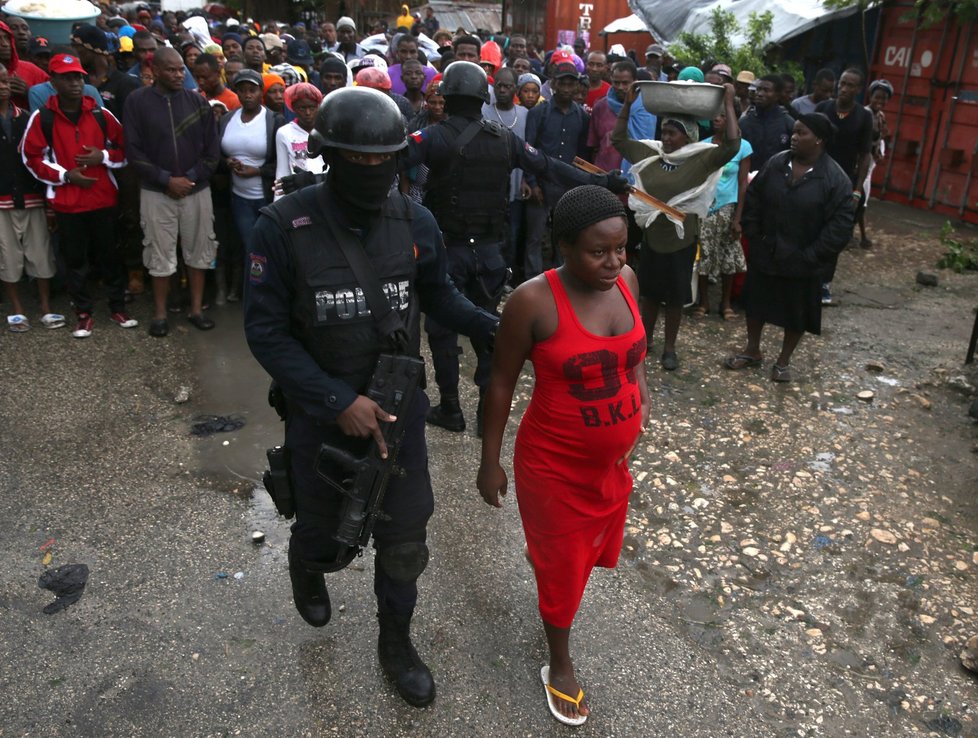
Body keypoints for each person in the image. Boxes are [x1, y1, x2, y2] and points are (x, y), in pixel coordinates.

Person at [243, 86, 498, 708]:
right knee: (324, 530)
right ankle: (306, 564)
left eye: (382, 158)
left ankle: (396, 643)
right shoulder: (283, 225)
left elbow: (438, 297)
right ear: (328, 154)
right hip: (321, 416)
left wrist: (494, 324)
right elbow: (266, 331)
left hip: (399, 412)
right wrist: (335, 401)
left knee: (405, 540)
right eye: (356, 158)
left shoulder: (416, 220)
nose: (371, 170)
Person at [477, 185, 649, 726]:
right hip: (552, 466)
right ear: (564, 247)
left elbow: (634, 356)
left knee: (579, 557)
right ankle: (559, 664)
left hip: (609, 465)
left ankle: (549, 565)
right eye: (599, 251)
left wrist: (640, 405)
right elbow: (501, 382)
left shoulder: (627, 282)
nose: (614, 262)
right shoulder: (531, 301)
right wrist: (489, 459)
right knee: (563, 570)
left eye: (621, 249)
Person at [401, 61, 626, 434]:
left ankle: (451, 408)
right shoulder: (504, 139)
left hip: (448, 250)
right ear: (482, 97)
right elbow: (550, 167)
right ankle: (485, 415)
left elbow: (391, 159)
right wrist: (601, 181)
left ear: (448, 96)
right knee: (487, 330)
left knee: (441, 330)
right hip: (490, 254)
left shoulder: (434, 137)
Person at [612, 82, 740, 371]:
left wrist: (729, 104)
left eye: (672, 133)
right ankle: (645, 341)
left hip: (682, 240)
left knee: (673, 296)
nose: (665, 138)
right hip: (653, 236)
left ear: (688, 136)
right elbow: (618, 139)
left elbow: (732, 145)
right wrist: (628, 105)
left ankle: (670, 348)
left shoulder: (701, 158)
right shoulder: (652, 154)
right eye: (664, 132)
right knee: (650, 294)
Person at [725, 113, 854, 382]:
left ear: (819, 139)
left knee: (797, 312)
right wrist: (755, 236)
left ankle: (783, 361)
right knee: (756, 303)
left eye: (802, 133)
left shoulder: (835, 179)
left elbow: (839, 228)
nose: (794, 137)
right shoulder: (777, 163)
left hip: (804, 261)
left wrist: (810, 256)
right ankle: (752, 349)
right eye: (794, 132)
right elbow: (755, 198)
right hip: (767, 251)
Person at [21, 52, 134, 338]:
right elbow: (30, 157)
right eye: (67, 77)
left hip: (103, 199)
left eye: (79, 77)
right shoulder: (43, 117)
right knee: (75, 261)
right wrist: (64, 176)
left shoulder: (99, 113)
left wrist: (103, 157)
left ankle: (118, 307)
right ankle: (83, 314)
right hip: (68, 203)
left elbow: (126, 150)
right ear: (54, 81)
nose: (75, 83)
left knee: (110, 256)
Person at [124, 47, 220, 337]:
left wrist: (189, 178)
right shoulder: (137, 102)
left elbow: (212, 151)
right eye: (171, 70)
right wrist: (166, 180)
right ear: (154, 70)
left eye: (181, 69)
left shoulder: (197, 102)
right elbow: (133, 150)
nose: (179, 74)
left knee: (199, 251)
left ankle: (196, 310)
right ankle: (160, 314)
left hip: (196, 190)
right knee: (159, 254)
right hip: (156, 192)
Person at [0, 61, 63, 331]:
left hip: (32, 195)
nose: (2, 87)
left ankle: (46, 307)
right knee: (7, 255)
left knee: (41, 253)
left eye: (5, 81)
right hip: (2, 200)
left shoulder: (27, 118)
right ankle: (16, 308)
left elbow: (42, 157)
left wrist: (50, 204)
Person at [523, 62, 591, 281]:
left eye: (571, 84)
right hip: (540, 184)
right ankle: (532, 281)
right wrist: (532, 183)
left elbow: (582, 156)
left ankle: (560, 281)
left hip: (567, 186)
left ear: (576, 87)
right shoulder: (538, 113)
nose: (566, 88)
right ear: (553, 84)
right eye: (562, 83)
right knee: (534, 237)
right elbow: (528, 149)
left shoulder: (581, 116)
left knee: (564, 237)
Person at [815, 67, 872, 304]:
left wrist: (858, 188)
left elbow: (865, 154)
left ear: (858, 90)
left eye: (851, 85)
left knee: (834, 233)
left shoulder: (863, 116)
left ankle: (824, 284)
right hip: (817, 177)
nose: (845, 89)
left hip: (843, 182)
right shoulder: (824, 109)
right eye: (843, 83)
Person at [694, 102, 751, 320]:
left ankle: (725, 303)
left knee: (729, 255)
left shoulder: (742, 147)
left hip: (728, 207)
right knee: (705, 254)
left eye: (722, 115)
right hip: (706, 207)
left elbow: (742, 183)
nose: (716, 119)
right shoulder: (704, 145)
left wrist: (738, 217)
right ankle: (704, 302)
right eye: (714, 116)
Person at [272, 82, 323, 200]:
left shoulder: (326, 130)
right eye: (302, 108)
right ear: (293, 108)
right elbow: (282, 170)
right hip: (299, 194)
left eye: (312, 107)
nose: (308, 113)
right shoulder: (284, 133)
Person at [859, 79, 893, 249]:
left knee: (862, 200)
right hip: (861, 165)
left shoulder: (880, 116)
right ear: (870, 96)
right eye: (877, 97)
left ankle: (861, 236)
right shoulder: (863, 114)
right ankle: (861, 236)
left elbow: (880, 137)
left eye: (884, 98)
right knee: (861, 198)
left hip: (870, 165)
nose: (880, 101)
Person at [737, 74, 795, 172]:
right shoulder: (744, 122)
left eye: (766, 90)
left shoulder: (788, 124)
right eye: (758, 89)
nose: (760, 93)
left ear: (777, 95)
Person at [0, 19, 48, 109]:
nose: (5, 44)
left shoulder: (31, 70)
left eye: (7, 38)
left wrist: (29, 93)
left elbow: (57, 101)